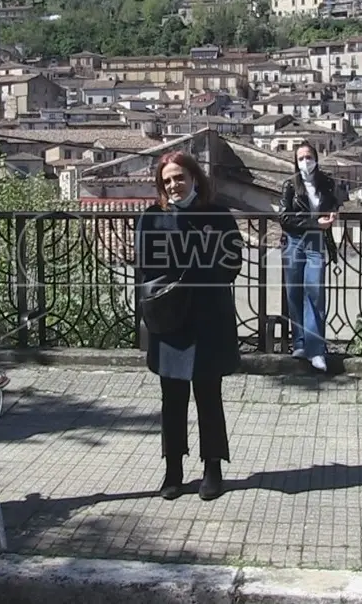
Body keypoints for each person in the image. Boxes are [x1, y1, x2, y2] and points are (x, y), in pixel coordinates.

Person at [135, 151, 243, 501]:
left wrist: (197, 258)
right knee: (172, 398)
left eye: (179, 177)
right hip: (170, 319)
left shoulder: (218, 215)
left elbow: (232, 264)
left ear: (195, 178)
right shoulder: (152, 218)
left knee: (208, 395)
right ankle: (173, 469)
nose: (173, 185)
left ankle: (213, 466)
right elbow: (145, 269)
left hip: (208, 318)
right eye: (166, 181)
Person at [277, 141, 339, 372]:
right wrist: (315, 222)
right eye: (301, 158)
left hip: (315, 243)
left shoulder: (327, 183)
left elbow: (333, 204)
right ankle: (300, 343)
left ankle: (316, 350)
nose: (305, 162)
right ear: (296, 161)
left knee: (314, 291)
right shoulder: (290, 185)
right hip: (294, 241)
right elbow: (284, 217)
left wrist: (332, 215)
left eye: (309, 157)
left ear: (316, 158)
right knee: (294, 292)